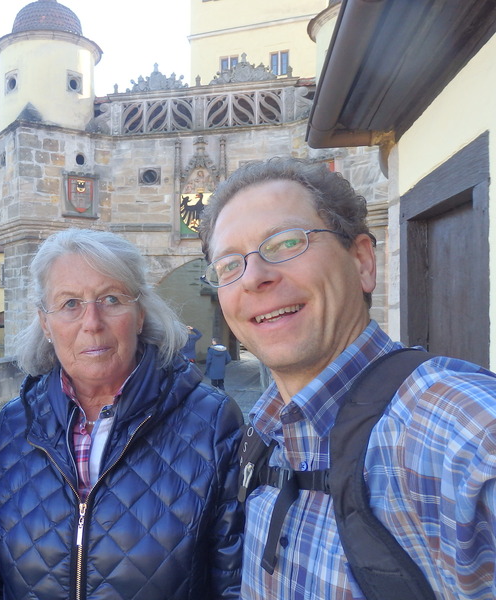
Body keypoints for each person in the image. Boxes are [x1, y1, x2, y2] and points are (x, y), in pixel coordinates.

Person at [199, 156, 496, 599]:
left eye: (284, 243)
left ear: (361, 262)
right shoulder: (262, 434)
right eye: (229, 265)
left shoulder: (454, 427)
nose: (254, 278)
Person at [0, 228, 244, 599]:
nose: (91, 322)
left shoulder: (212, 422)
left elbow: (234, 584)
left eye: (110, 298)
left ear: (139, 315)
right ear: (46, 323)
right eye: (70, 303)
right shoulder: (16, 424)